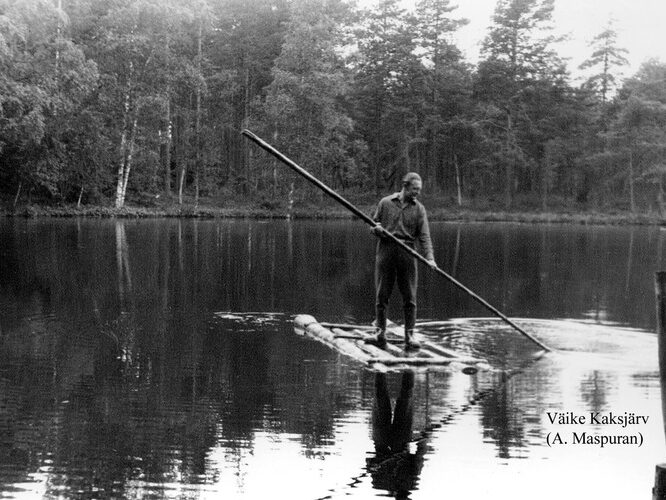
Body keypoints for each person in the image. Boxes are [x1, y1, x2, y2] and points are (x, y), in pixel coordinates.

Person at [366, 172, 436, 350]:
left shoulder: (419, 209)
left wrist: (430, 259)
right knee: (382, 295)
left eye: (419, 190)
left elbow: (424, 236)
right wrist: (377, 230)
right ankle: (380, 334)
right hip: (386, 251)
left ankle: (410, 335)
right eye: (414, 189)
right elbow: (373, 225)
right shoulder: (386, 202)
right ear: (405, 186)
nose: (417, 193)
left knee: (410, 297)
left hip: (408, 253)